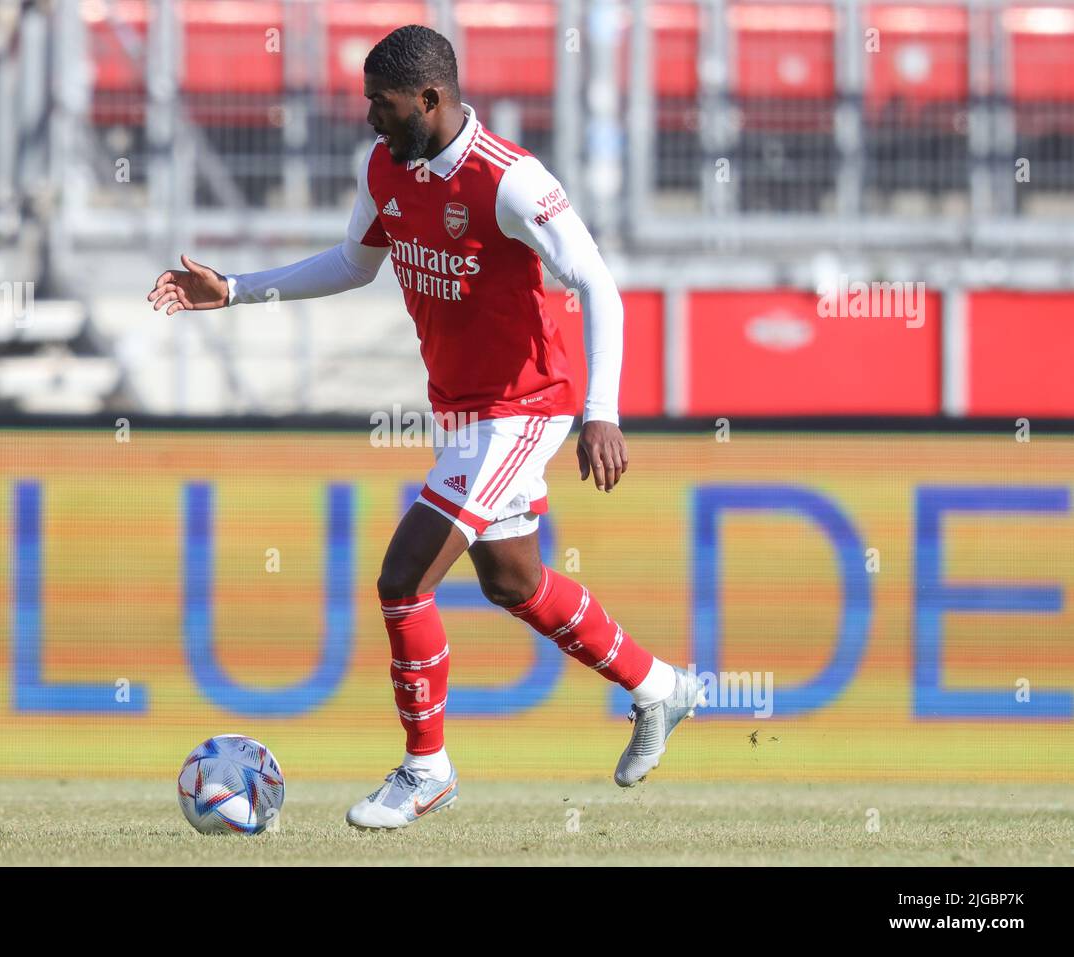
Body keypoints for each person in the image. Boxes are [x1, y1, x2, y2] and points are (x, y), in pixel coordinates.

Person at [148, 24, 702, 830]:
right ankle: (659, 685)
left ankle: (425, 768)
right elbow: (350, 263)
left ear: (431, 99)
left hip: (525, 404)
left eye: (384, 102)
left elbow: (598, 285)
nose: (372, 116)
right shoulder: (387, 168)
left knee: (403, 576)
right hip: (462, 411)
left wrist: (601, 410)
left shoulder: (512, 180)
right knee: (513, 581)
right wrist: (233, 289)